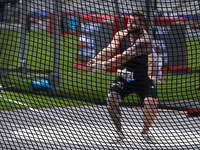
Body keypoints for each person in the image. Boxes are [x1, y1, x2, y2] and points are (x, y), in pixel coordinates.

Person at [87, 11, 158, 144]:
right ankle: (119, 132)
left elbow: (124, 57)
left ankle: (145, 132)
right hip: (124, 78)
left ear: (142, 24)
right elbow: (109, 49)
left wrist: (100, 66)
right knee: (111, 99)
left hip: (142, 80)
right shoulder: (121, 34)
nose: (131, 23)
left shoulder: (145, 40)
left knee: (151, 103)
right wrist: (94, 60)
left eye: (135, 22)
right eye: (130, 21)